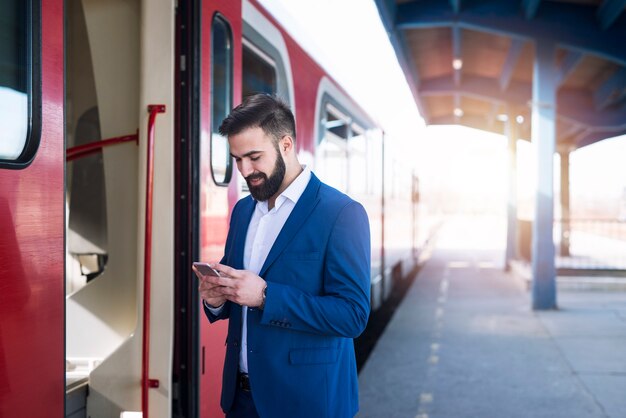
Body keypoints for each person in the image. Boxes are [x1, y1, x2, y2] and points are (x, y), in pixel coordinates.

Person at [196, 94, 371, 418]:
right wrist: (217, 299)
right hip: (241, 401)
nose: (245, 170)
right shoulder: (243, 210)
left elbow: (352, 315)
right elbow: (238, 292)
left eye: (254, 157)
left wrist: (265, 296)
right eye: (237, 160)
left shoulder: (341, 213)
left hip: (307, 402)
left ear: (286, 144)